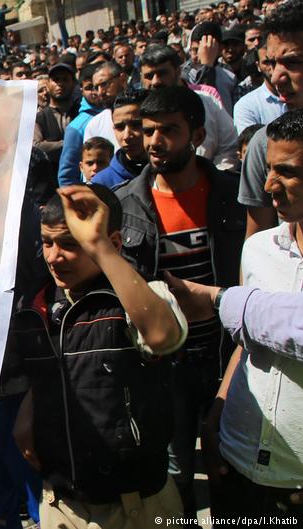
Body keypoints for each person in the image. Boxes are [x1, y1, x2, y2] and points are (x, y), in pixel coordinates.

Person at [13, 183, 187, 529]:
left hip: (136, 507)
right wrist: (29, 406)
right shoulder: (38, 308)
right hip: (61, 504)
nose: (53, 257)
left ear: (115, 242)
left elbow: (163, 337)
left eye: (70, 244)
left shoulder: (140, 298)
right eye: (47, 243)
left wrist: (101, 250)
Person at [163, 112, 303, 523]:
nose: (268, 186)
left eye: (288, 172)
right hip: (239, 461)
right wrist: (218, 413)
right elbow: (249, 341)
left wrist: (219, 300)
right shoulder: (259, 249)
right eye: (268, 169)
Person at [113, 86, 245, 520]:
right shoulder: (126, 203)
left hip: (230, 359)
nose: (153, 141)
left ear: (198, 133)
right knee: (175, 477)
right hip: (166, 366)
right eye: (148, 130)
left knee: (231, 469)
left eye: (169, 130)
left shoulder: (234, 193)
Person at [239, 0, 303, 238]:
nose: (277, 77)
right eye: (273, 62)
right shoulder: (263, 145)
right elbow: (256, 257)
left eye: (292, 62)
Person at [139, 44, 240, 171]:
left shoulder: (208, 101)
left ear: (178, 71)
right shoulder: (138, 112)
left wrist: (213, 178)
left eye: (162, 73)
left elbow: (229, 146)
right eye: (149, 76)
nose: (155, 82)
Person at [57, 64, 106, 186]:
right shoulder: (76, 127)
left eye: (99, 86)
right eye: (89, 87)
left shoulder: (115, 115)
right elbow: (66, 176)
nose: (95, 92)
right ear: (81, 89)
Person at [92, 89, 150, 188]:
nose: (127, 136)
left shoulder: (175, 175)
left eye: (136, 125)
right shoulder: (102, 184)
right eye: (120, 127)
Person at [183, 22, 237, 114]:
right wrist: (206, 66)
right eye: (195, 50)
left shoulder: (230, 76)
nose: (199, 55)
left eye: (204, 50)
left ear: (219, 49)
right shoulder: (185, 75)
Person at [233, 43, 286, 135]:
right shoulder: (247, 106)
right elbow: (251, 146)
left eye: (277, 61)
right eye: (267, 62)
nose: (273, 68)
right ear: (258, 66)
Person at [34, 63, 81, 163]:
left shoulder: (81, 112)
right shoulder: (40, 117)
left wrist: (50, 145)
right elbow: (36, 146)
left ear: (73, 84)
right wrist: (70, 143)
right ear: (48, 84)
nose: (60, 84)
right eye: (56, 79)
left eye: (65, 79)